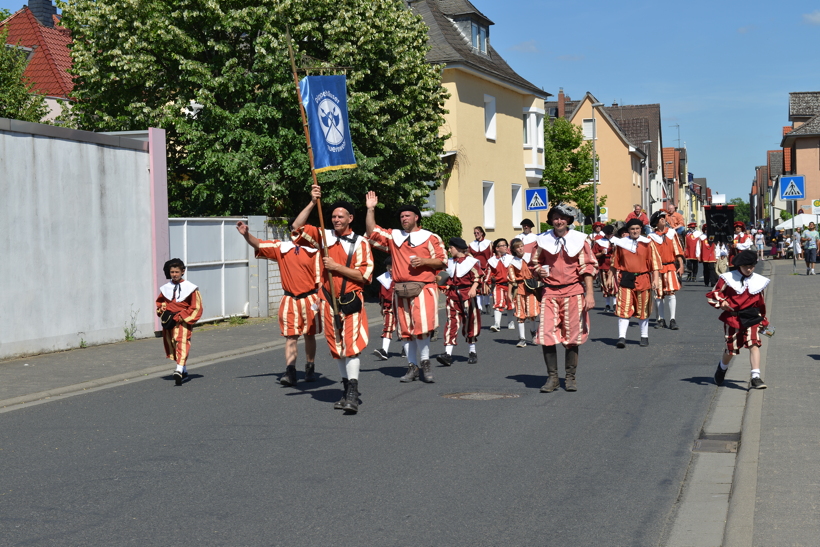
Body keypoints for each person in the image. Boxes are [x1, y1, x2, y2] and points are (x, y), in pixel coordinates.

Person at [292, 185, 374, 413]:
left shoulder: (360, 243)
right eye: (334, 216)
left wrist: (337, 267)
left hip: (351, 301)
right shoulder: (324, 236)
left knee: (351, 347)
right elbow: (296, 227)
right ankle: (346, 389)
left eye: (341, 216)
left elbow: (364, 275)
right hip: (328, 302)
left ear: (350, 218)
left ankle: (353, 393)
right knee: (337, 348)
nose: (336, 219)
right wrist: (311, 202)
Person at [365, 191, 447, 384]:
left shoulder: (430, 237)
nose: (403, 219)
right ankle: (412, 366)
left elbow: (443, 261)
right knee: (405, 330)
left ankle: (425, 363)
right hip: (401, 289)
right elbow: (372, 232)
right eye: (401, 217)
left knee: (422, 327)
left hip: (424, 287)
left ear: (416, 217)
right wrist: (370, 209)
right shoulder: (394, 236)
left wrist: (425, 261)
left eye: (407, 216)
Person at [236, 221, 320, 386]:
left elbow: (321, 279)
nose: (297, 233)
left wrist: (320, 297)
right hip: (289, 299)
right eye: (295, 230)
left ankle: (310, 366)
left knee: (309, 334)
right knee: (290, 336)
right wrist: (246, 234)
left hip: (310, 298)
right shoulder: (282, 247)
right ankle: (290, 371)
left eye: (301, 231)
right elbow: (259, 243)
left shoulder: (315, 251)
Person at [528, 204, 597, 392]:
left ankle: (570, 377)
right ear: (551, 220)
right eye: (556, 217)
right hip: (549, 292)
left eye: (563, 218)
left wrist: (589, 294)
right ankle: (552, 378)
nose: (559, 221)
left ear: (568, 221)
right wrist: (538, 271)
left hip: (573, 291)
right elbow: (534, 263)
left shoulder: (580, 240)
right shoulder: (542, 240)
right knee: (546, 334)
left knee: (572, 335)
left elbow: (588, 268)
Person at [707, 250, 769, 390]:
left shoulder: (758, 280)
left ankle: (755, 377)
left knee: (754, 343)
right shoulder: (728, 278)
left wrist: (763, 319)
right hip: (733, 317)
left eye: (752, 266)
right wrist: (722, 302)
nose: (749, 269)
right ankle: (722, 368)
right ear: (739, 265)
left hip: (752, 317)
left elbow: (761, 302)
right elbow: (715, 293)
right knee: (731, 348)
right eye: (746, 266)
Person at [612, 219, 661, 348]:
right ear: (628, 230)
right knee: (624, 307)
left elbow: (654, 263)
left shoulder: (648, 244)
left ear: (641, 229)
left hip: (643, 278)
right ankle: (622, 337)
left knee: (643, 308)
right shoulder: (621, 244)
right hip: (626, 278)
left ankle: (644, 336)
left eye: (637, 228)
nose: (635, 231)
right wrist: (611, 278)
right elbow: (615, 263)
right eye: (632, 229)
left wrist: (655, 279)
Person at [156, 258, 204, 386]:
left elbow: (196, 307)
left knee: (181, 342)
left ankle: (178, 370)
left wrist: (181, 316)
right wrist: (163, 310)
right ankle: (184, 369)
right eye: (172, 272)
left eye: (177, 272)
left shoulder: (191, 288)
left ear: (182, 271)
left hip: (183, 321)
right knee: (173, 343)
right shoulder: (166, 288)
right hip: (170, 321)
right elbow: (160, 303)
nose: (174, 274)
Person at [437, 237, 482, 365]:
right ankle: (448, 354)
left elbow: (478, 277)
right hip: (452, 296)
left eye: (450, 248)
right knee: (451, 323)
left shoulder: (471, 262)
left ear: (457, 248)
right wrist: (442, 285)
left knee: (470, 323)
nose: (449, 250)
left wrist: (473, 288)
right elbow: (444, 277)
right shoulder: (449, 262)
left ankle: (472, 351)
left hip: (467, 295)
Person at [648, 210, 684, 330]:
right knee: (659, 294)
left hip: (670, 267)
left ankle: (672, 319)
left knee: (671, 292)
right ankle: (660, 319)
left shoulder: (672, 233)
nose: (663, 219)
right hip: (657, 269)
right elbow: (649, 255)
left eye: (664, 217)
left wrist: (681, 265)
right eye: (661, 218)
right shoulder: (651, 237)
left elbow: (677, 249)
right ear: (656, 223)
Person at [508, 238, 539, 348]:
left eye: (521, 246)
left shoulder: (530, 257)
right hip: (520, 289)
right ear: (514, 249)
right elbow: (511, 279)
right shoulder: (512, 263)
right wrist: (509, 293)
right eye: (517, 247)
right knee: (520, 314)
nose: (520, 248)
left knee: (532, 313)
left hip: (531, 287)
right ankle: (522, 338)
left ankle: (534, 333)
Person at [486, 238, 515, 332]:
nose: (505, 247)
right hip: (498, 285)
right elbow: (489, 274)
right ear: (497, 248)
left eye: (506, 245)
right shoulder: (491, 261)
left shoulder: (511, 258)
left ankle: (510, 322)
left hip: (511, 285)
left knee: (510, 304)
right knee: (498, 303)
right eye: (503, 245)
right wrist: (488, 283)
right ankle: (497, 324)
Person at [373, 257, 396, 360]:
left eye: (392, 267)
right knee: (388, 327)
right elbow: (382, 295)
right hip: (388, 306)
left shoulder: (400, 278)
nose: (390, 269)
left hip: (400, 306)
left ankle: (406, 349)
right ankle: (384, 350)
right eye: (388, 267)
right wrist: (381, 307)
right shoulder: (384, 278)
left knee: (403, 329)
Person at [592, 224, 616, 312]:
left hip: (614, 266)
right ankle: (607, 304)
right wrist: (601, 253)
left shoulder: (616, 241)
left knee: (613, 285)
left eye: (610, 234)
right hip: (603, 264)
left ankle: (614, 304)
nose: (609, 235)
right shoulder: (599, 242)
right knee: (605, 285)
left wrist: (615, 249)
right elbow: (594, 254)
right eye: (607, 234)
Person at [469, 226, 493, 313]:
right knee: (478, 287)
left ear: (482, 233)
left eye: (477, 232)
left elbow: (491, 256)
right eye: (475, 233)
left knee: (486, 287)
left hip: (487, 267)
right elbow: (470, 256)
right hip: (476, 268)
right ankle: (479, 307)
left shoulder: (488, 243)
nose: (476, 234)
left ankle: (487, 304)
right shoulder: (471, 245)